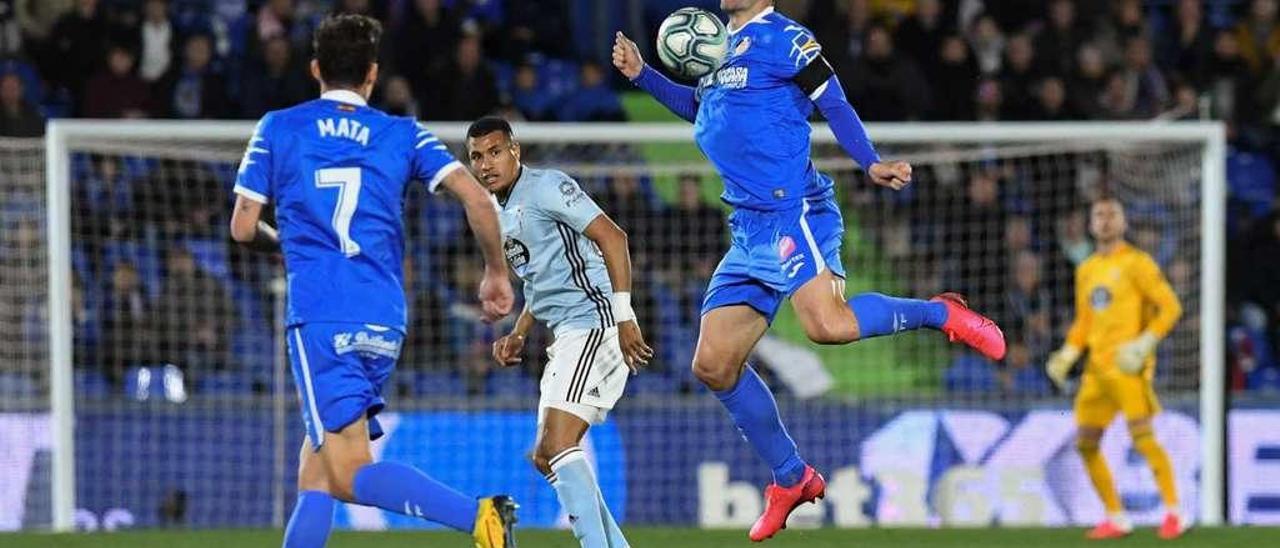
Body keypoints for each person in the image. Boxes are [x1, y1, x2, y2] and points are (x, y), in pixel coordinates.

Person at [612, 0, 1006, 540]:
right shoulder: (717, 43)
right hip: (749, 225)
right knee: (712, 365)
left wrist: (870, 161)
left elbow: (833, 101)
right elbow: (702, 109)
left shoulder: (786, 38)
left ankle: (941, 313)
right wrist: (643, 76)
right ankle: (792, 477)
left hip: (793, 210)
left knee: (829, 326)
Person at [227, 14, 518, 548]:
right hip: (384, 315)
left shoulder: (279, 126)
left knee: (345, 471)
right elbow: (478, 197)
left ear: (315, 68)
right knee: (315, 471)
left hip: (321, 313)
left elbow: (243, 226)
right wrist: (496, 274)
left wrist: (288, 247)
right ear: (372, 75)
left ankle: (481, 518)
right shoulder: (401, 133)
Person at [472, 116, 652, 548]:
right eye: (477, 156)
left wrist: (624, 315)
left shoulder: (548, 186)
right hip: (568, 332)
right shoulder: (499, 211)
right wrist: (518, 331)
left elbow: (614, 237)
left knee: (557, 447)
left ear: (516, 151)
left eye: (495, 152)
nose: (486, 164)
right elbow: (543, 281)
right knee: (544, 457)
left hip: (597, 323)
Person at [1045, 198, 1186, 540]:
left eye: (1112, 215)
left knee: (1143, 438)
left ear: (1123, 223)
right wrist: (1068, 352)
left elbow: (1170, 307)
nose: (1105, 221)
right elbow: (1084, 321)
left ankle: (1174, 512)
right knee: (1086, 444)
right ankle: (1115, 515)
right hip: (1096, 372)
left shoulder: (1138, 263)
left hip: (1128, 369)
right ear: (1091, 225)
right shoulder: (1087, 269)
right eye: (1099, 215)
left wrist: (1143, 344)